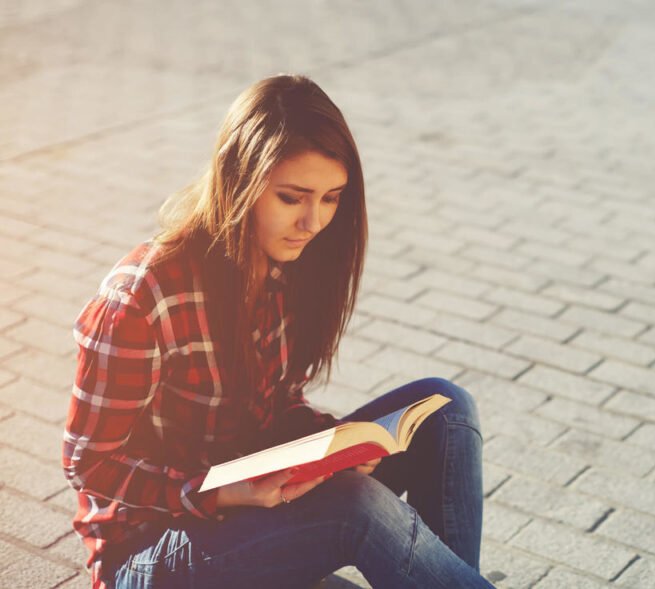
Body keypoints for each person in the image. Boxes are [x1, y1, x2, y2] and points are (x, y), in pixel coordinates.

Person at [61, 74, 494, 589]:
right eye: (293, 197)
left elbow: (272, 404)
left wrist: (337, 445)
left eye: (332, 198)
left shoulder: (281, 267)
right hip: (149, 555)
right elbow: (88, 464)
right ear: (239, 182)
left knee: (444, 409)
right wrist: (217, 492)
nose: (313, 222)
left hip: (250, 510)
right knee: (354, 508)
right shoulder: (140, 298)